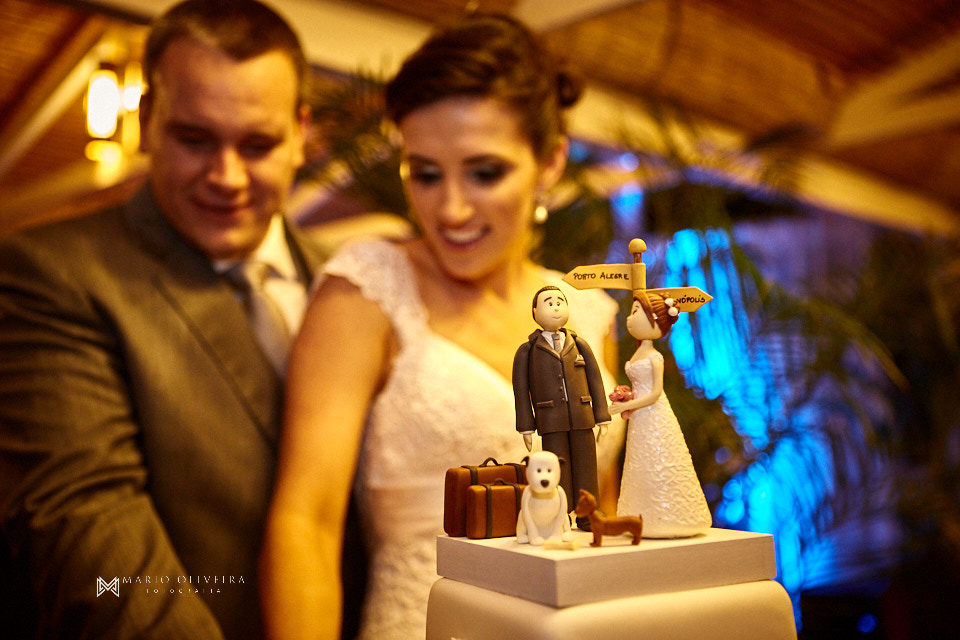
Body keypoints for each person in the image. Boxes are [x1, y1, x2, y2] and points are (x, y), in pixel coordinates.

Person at [259, 13, 624, 640]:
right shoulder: (367, 289)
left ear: (550, 162)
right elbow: (306, 523)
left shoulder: (587, 311)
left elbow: (606, 515)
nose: (450, 208)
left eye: (484, 173)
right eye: (424, 173)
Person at [0, 2, 331, 638]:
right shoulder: (49, 274)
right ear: (148, 120)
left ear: (300, 136)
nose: (226, 176)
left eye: (257, 144)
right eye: (195, 139)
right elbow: (95, 552)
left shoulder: (350, 283)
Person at [607, 291, 712, 538]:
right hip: (640, 418)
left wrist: (626, 406)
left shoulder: (655, 357)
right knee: (640, 461)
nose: (630, 319)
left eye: (636, 313)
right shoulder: (638, 353)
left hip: (653, 413)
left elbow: (655, 393)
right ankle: (643, 513)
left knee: (660, 457)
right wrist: (626, 397)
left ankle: (672, 515)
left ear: (654, 319)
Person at [513, 285, 612, 530]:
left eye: (560, 301)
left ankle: (588, 512)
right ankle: (560, 513)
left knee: (587, 465)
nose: (555, 306)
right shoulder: (528, 350)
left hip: (582, 416)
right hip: (550, 421)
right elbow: (521, 392)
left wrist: (602, 416)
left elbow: (595, 380)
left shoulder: (579, 344)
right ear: (535, 311)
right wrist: (526, 426)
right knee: (558, 466)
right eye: (548, 302)